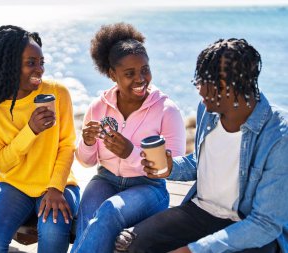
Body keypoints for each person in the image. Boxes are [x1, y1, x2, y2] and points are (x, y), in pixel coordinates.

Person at [114, 38, 288, 253]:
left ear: (232, 86)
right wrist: (171, 168)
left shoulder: (279, 135)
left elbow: (265, 224)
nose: (199, 90)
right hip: (201, 212)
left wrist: (193, 250)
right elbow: (202, 161)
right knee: (132, 244)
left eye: (206, 82)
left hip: (248, 227)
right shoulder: (207, 110)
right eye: (199, 80)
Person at [0, 25, 80, 253]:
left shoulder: (58, 93)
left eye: (41, 62)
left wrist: (55, 188)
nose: (40, 70)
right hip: (13, 184)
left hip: (57, 183)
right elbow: (1, 163)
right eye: (31, 63)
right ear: (8, 66)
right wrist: (31, 130)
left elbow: (66, 145)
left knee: (54, 229)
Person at [70, 23, 186, 253]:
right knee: (87, 217)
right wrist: (88, 142)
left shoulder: (167, 110)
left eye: (145, 69)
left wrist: (131, 153)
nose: (140, 78)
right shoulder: (98, 107)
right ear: (113, 74)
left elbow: (174, 167)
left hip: (149, 188)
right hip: (105, 180)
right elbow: (86, 162)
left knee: (110, 211)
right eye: (129, 73)